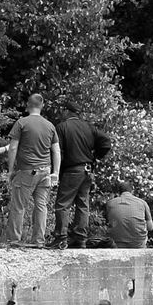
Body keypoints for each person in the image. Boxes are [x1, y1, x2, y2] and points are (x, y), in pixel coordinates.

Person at [53, 101, 112, 248]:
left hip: (72, 170)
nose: (60, 113)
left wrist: (56, 171)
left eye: (62, 110)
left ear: (67, 111)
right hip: (87, 170)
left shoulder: (62, 127)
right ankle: (80, 238)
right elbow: (106, 142)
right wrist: (95, 156)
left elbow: (58, 151)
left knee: (63, 204)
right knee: (82, 204)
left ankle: (60, 237)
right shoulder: (89, 127)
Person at [3, 94, 60, 245]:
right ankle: (38, 241)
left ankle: (14, 240)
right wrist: (56, 173)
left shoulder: (21, 123)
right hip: (45, 172)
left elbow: (13, 147)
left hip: (27, 171)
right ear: (42, 106)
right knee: (41, 206)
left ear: (27, 105)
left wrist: (10, 170)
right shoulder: (50, 126)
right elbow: (56, 151)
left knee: (19, 206)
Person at [105, 182, 153, 249]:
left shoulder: (110, 203)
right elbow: (150, 227)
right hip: (137, 244)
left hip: (116, 243)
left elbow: (108, 222)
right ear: (132, 191)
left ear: (119, 192)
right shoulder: (142, 202)